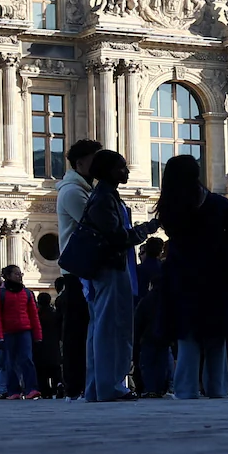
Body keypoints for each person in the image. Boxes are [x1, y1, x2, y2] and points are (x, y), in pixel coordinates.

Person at [155, 155, 228, 400]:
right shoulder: (216, 204)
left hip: (182, 276)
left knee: (187, 336)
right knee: (216, 336)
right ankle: (217, 388)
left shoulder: (169, 207)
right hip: (214, 276)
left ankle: (186, 389)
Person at [77, 150, 158, 401]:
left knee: (105, 327)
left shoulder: (106, 196)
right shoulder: (104, 198)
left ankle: (98, 387)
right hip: (110, 268)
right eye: (122, 167)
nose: (127, 171)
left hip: (110, 267)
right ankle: (109, 386)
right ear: (108, 170)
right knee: (111, 328)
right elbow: (118, 238)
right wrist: (147, 228)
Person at [0, 265, 42, 398]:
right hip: (8, 332)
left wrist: (38, 335)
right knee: (9, 362)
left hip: (25, 331)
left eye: (20, 274)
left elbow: (34, 316)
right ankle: (14, 391)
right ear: (8, 276)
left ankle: (31, 389)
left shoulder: (27, 293)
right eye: (16, 274)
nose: (20, 276)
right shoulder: (0, 294)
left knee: (27, 360)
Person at [132, 237, 172, 398]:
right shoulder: (164, 269)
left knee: (144, 357)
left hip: (142, 313)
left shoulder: (139, 270)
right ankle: (162, 386)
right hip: (163, 313)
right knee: (163, 355)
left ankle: (146, 387)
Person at [55, 138, 101, 252]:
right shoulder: (72, 191)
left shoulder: (83, 189)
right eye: (94, 161)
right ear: (79, 163)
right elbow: (96, 224)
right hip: (80, 264)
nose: (99, 165)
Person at [34, 291, 61, 397]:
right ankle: (58, 387)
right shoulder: (55, 314)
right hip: (53, 347)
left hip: (40, 348)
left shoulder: (37, 315)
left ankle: (45, 392)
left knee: (41, 373)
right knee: (55, 371)